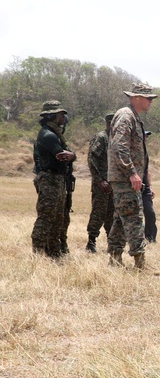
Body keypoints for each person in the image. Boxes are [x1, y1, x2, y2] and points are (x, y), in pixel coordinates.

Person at [108, 83, 153, 269]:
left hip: (125, 178)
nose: (151, 101)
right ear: (136, 98)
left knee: (121, 219)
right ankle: (140, 264)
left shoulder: (133, 117)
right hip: (125, 178)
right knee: (134, 218)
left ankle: (114, 260)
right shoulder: (126, 116)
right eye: (148, 98)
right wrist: (132, 173)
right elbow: (120, 147)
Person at [31, 101, 76, 259]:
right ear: (51, 116)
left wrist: (72, 155)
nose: (63, 118)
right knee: (46, 217)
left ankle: (54, 253)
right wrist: (71, 156)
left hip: (57, 179)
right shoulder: (48, 135)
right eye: (60, 115)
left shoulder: (54, 133)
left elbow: (69, 154)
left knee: (58, 218)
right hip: (50, 179)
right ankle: (38, 253)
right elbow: (63, 155)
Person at [85, 113, 114, 253]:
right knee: (98, 213)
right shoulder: (102, 137)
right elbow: (92, 158)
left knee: (112, 214)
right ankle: (91, 242)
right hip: (102, 184)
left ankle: (112, 242)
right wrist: (99, 180)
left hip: (113, 183)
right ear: (109, 122)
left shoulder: (116, 138)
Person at [142, 131, 157, 243]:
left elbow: (147, 171)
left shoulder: (145, 152)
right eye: (144, 136)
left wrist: (150, 186)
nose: (146, 139)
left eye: (147, 137)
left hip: (144, 187)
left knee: (150, 213)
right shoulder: (129, 150)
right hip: (132, 187)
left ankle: (150, 237)